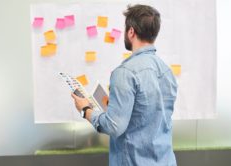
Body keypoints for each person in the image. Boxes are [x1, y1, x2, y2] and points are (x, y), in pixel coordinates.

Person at [71, 4, 177, 166]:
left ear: (131, 31)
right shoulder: (167, 71)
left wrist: (85, 110)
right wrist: (114, 107)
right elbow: (149, 118)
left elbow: (114, 126)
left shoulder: (125, 73)